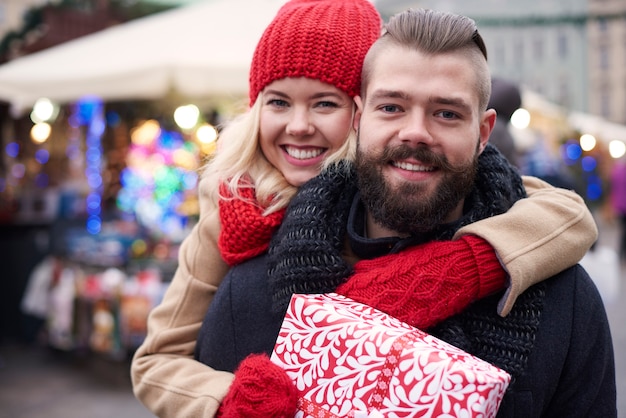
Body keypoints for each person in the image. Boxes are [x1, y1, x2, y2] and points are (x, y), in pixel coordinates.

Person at [131, 1, 598, 416]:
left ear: (484, 131)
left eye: (447, 113)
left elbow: (566, 215)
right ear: (363, 117)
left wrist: (469, 263)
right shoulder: (240, 244)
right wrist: (227, 399)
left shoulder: (562, 298)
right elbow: (157, 361)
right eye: (392, 107)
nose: (300, 125)